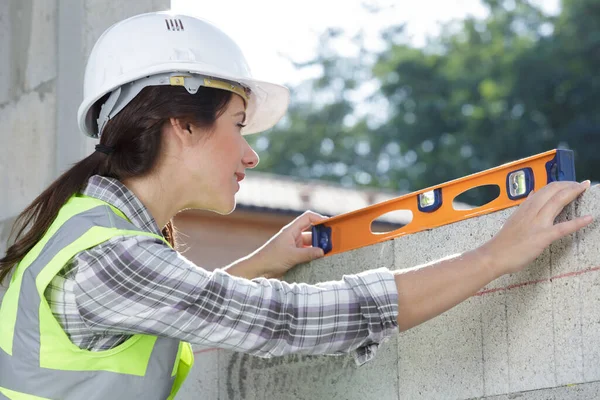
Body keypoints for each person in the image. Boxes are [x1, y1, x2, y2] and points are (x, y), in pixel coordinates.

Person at [0, 11, 593, 400]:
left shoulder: (89, 232)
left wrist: (262, 262)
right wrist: (494, 256)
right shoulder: (110, 258)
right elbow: (288, 321)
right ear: (181, 124)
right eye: (238, 124)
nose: (251, 155)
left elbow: (169, 304)